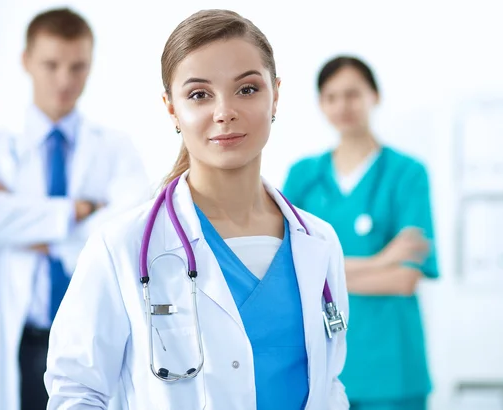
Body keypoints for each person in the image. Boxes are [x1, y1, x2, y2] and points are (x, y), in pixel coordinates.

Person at [44, 9, 350, 410]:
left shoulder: (318, 241)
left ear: (276, 94)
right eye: (199, 95)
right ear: (171, 108)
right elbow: (76, 392)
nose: (224, 112)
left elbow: (328, 386)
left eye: (247, 89)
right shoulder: (121, 246)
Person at [0, 8, 150, 410]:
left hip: (90, 336)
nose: (65, 80)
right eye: (51, 65)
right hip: (22, 337)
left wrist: (22, 222)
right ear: (26, 61)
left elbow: (131, 224)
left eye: (78, 66)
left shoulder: (116, 148)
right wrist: (78, 210)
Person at [283, 56, 439, 410]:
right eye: (331, 96)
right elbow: (288, 270)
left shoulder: (408, 174)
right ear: (321, 104)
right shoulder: (304, 176)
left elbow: (404, 279)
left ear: (375, 96)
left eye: (353, 94)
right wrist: (383, 259)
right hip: (317, 367)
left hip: (392, 368)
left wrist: (323, 275)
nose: (342, 106)